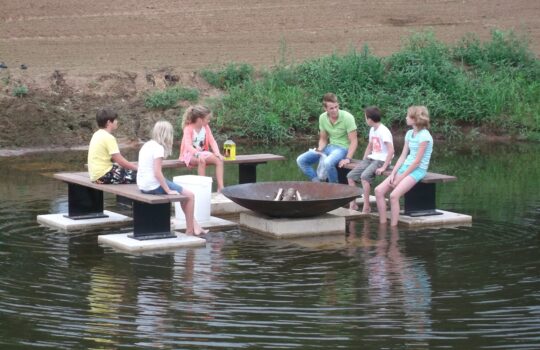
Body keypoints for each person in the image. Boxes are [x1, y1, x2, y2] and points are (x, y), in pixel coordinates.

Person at [137, 120, 208, 236]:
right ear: (167, 134)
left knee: (183, 196)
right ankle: (190, 231)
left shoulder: (147, 145)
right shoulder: (158, 148)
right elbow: (157, 173)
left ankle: (196, 227)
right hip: (153, 185)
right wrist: (168, 190)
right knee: (190, 196)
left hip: (143, 185)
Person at [375, 106, 433, 226]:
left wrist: (400, 178)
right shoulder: (409, 133)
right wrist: (394, 173)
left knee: (394, 196)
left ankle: (393, 228)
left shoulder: (425, 136)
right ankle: (383, 224)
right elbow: (402, 156)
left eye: (408, 115)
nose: (406, 117)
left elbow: (417, 162)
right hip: (406, 167)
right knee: (378, 191)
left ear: (415, 119)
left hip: (418, 169)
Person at [296, 93, 358, 183]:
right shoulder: (322, 117)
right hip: (329, 147)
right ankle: (317, 183)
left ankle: (334, 188)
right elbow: (323, 139)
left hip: (342, 149)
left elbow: (354, 141)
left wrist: (348, 158)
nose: (335, 110)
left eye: (336, 107)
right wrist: (319, 149)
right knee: (301, 160)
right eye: (331, 108)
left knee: (328, 162)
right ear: (325, 109)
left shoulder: (348, 117)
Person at [347, 107, 394, 213]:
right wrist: (363, 161)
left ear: (370, 119)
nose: (365, 120)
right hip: (372, 158)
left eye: (365, 118)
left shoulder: (383, 131)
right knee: (350, 176)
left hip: (381, 160)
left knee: (364, 177)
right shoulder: (372, 129)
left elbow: (391, 151)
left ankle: (366, 205)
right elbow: (369, 146)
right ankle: (353, 204)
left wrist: (384, 166)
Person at [179, 105, 225, 192]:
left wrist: (217, 152)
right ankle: (203, 188)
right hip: (189, 154)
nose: (209, 121)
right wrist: (197, 154)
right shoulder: (188, 129)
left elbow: (212, 140)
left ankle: (221, 187)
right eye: (207, 119)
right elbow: (188, 145)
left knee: (219, 160)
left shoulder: (206, 127)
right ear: (200, 120)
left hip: (202, 153)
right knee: (201, 160)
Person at [87, 108, 138, 184]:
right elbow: (120, 161)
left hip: (95, 175)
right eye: (115, 120)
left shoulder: (96, 134)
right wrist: (137, 168)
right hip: (103, 175)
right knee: (141, 175)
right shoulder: (108, 138)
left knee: (129, 171)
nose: (117, 122)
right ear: (108, 122)